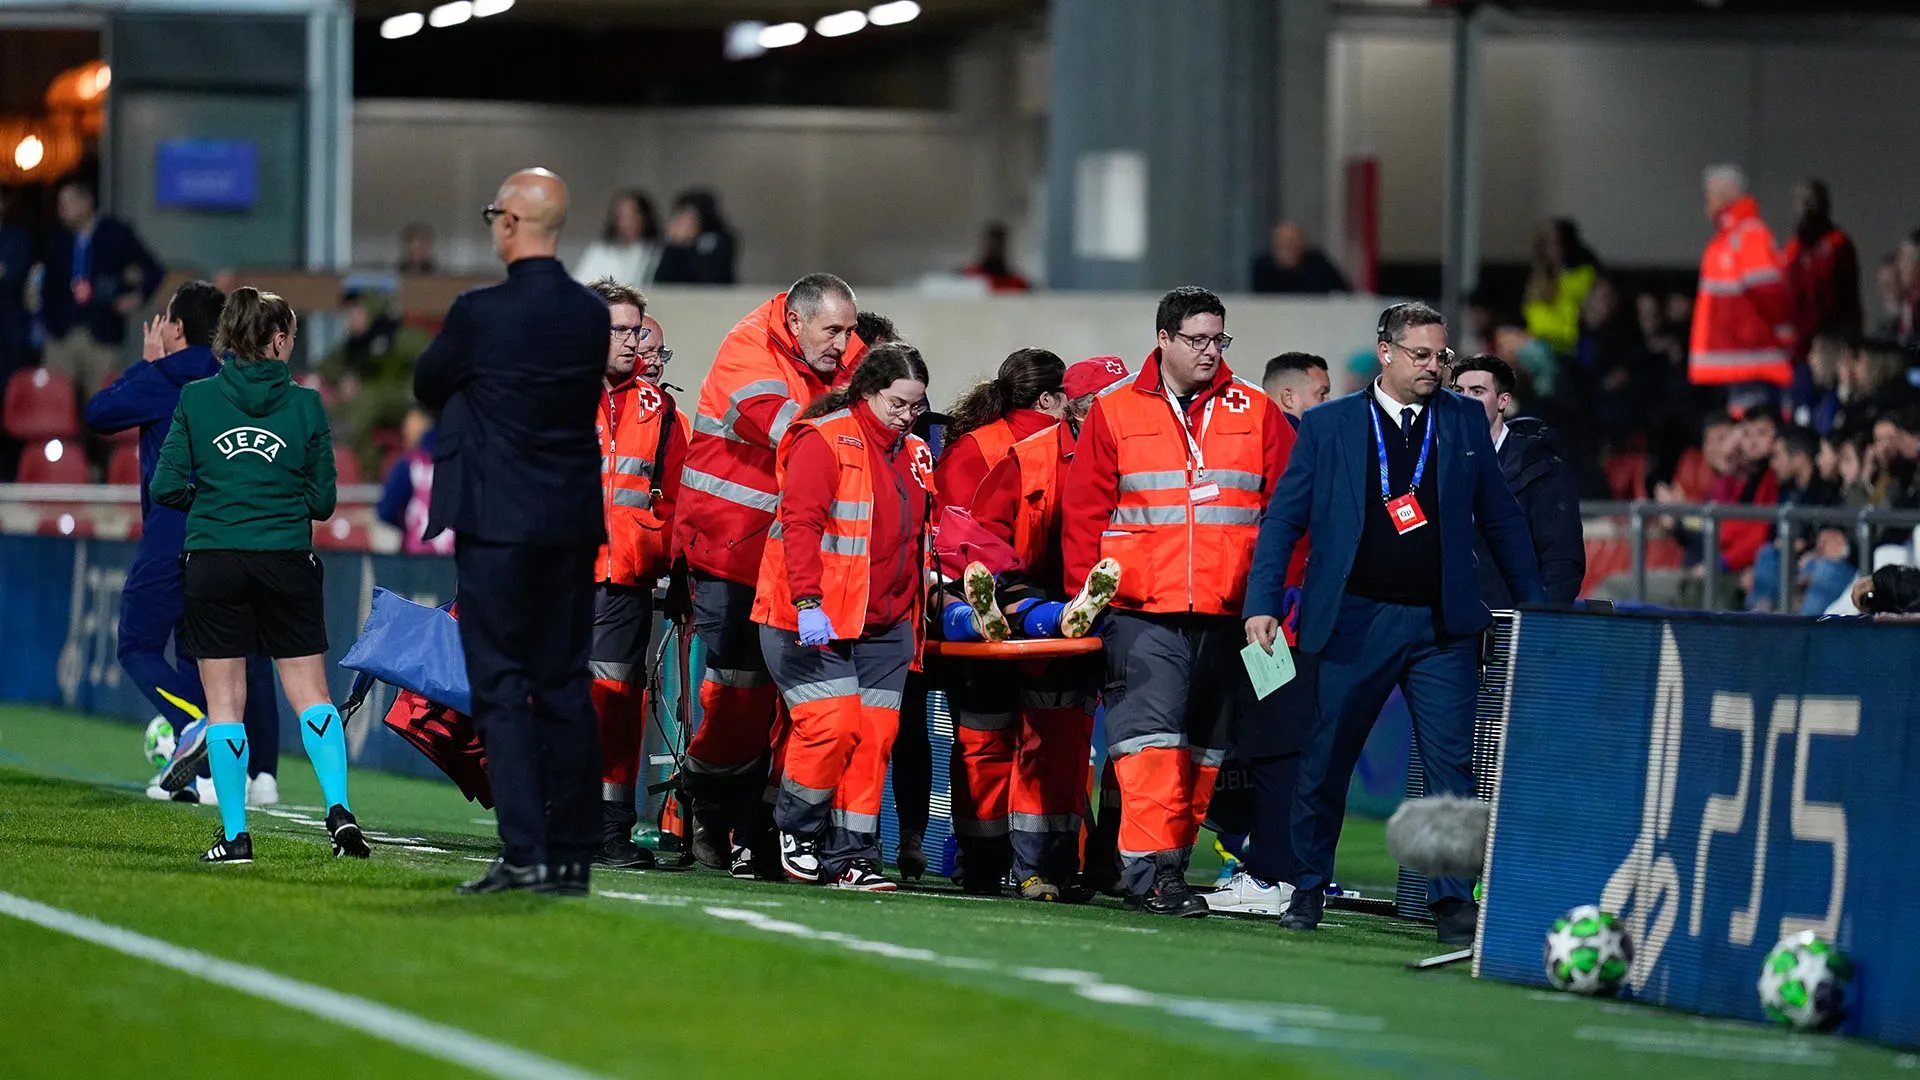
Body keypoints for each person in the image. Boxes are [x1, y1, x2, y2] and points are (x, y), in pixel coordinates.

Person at [1244, 302, 1543, 944]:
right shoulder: (1329, 425)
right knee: (1325, 759)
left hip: (1443, 627)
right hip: (1354, 619)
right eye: (1422, 356)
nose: (1436, 367)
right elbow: (1283, 520)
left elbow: (1501, 519)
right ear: (1385, 352)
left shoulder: (1462, 419)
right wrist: (1262, 601)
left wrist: (1539, 605)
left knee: (1451, 770)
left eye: (1443, 357)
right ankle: (1306, 885)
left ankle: (1452, 903)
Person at [1061, 285, 1295, 916]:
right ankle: (1151, 878)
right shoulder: (1113, 411)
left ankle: (1169, 870)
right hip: (1141, 610)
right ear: (1162, 339)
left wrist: (1277, 600)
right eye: (1196, 340)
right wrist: (1089, 602)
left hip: (1230, 614)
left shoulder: (1257, 410)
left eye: (1219, 339)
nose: (1209, 351)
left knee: (1204, 756)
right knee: (1151, 748)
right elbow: (1083, 515)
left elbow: (1288, 513)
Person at [414, 168, 611, 896]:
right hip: (567, 522)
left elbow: (428, 383)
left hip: (496, 522)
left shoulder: (479, 314)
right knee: (563, 684)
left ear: (508, 225)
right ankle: (573, 857)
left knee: (499, 685)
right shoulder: (590, 316)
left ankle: (524, 849)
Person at [148, 287, 367, 864]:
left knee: (225, 704)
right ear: (274, 339)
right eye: (290, 334)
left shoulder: (196, 399)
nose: (292, 343)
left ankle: (236, 836)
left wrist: (216, 496)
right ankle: (339, 810)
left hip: (215, 560)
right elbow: (322, 502)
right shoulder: (307, 406)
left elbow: (164, 486)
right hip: (286, 561)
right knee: (311, 694)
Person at [675, 273, 863, 877]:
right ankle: (707, 804)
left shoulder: (837, 348)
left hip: (797, 559)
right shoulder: (746, 347)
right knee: (738, 696)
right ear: (795, 324)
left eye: (851, 331)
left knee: (798, 706)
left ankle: (756, 832)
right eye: (834, 330)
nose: (844, 343)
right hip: (733, 553)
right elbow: (792, 426)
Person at [85, 279, 282, 807]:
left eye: (165, 319)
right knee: (210, 654)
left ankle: (192, 728)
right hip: (235, 531)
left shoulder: (165, 375)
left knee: (137, 645)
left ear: (173, 328)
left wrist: (145, 366)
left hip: (174, 529)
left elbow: (98, 413)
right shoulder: (235, 378)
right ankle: (216, 775)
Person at [948, 356, 1131, 901]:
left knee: (1052, 744)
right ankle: (995, 864)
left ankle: (1040, 868)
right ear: (1073, 409)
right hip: (1024, 602)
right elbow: (975, 539)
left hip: (1082, 621)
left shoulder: (1136, 461)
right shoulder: (1024, 460)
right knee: (994, 740)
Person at [753, 343, 935, 891]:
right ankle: (798, 834)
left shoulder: (915, 452)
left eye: (917, 405)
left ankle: (851, 857)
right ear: (866, 393)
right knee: (832, 727)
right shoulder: (823, 440)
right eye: (898, 404)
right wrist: (808, 602)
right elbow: (800, 526)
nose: (908, 416)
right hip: (813, 619)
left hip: (886, 624)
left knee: (874, 739)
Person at [586, 280, 687, 869]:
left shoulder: (661, 409)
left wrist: (671, 565)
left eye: (634, 329)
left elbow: (676, 499)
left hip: (625, 578)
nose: (631, 341)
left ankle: (608, 831)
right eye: (618, 330)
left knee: (617, 704)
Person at [1449, 354, 1587, 605]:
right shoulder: (1435, 462)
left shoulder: (1542, 470)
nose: (1464, 400)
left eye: (1477, 391)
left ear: (1503, 401)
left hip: (1512, 626)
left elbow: (1562, 561)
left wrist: (1539, 625)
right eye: (1458, 391)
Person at [41, 177, 165, 400]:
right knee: (55, 402)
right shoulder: (59, 239)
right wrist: (49, 322)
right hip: (62, 334)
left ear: (86, 202)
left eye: (66, 204)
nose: (61, 211)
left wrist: (136, 298)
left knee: (102, 406)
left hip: (102, 334)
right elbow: (48, 286)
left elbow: (154, 271)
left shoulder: (115, 233)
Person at [1690, 165, 1795, 388]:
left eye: (1709, 194)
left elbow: (1769, 295)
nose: (1706, 202)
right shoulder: (1726, 240)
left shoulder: (1748, 236)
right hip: (1731, 365)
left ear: (1724, 195)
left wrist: (1780, 338)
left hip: (1749, 365)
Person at [936, 348, 1068, 513]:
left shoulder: (972, 445)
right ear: (1046, 399)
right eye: (1067, 390)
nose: (1072, 399)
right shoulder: (1066, 445)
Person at [319, 286, 430, 476]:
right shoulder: (355, 343)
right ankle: (367, 473)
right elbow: (327, 366)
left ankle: (340, 434)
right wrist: (344, 379)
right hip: (366, 407)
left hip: (403, 401)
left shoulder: (397, 335)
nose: (351, 316)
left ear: (372, 309)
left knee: (368, 399)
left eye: (357, 310)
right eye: (349, 311)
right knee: (342, 406)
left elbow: (430, 358)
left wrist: (412, 391)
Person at [1781, 179, 1862, 362]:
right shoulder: (1792, 249)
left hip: (1830, 343)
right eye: (1801, 202)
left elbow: (1835, 299)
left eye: (1810, 201)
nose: (1805, 208)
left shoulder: (1838, 245)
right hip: (1797, 347)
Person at [375, 406, 453, 555]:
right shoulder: (467, 462)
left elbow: (386, 510)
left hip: (416, 561)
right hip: (457, 563)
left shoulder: (409, 464)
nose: (404, 428)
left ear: (423, 422)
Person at [1522, 219, 1600, 356]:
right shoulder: (1540, 278)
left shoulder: (1585, 275)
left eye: (1555, 242)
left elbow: (1574, 323)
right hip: (1541, 343)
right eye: (1545, 243)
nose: (1550, 249)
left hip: (1573, 345)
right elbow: (1533, 316)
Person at [575, 190, 662, 289]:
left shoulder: (654, 253)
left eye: (631, 216)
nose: (625, 222)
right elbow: (581, 285)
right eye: (621, 216)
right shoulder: (600, 251)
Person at [654, 190, 737, 285]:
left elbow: (711, 278)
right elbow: (661, 280)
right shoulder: (672, 244)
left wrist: (689, 244)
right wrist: (675, 244)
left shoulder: (720, 240)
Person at [1250, 222, 1348, 295]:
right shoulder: (1263, 267)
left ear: (1302, 244)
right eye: (1282, 244)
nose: (1287, 248)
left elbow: (1344, 293)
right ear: (1274, 245)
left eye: (1292, 243)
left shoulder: (1318, 264)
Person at [1261, 352, 1331, 426]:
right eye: (1322, 394)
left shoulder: (1253, 430)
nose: (1329, 401)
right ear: (1288, 397)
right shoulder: (1297, 435)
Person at [963, 222, 1030, 293]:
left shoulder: (1017, 283)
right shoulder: (969, 278)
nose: (994, 250)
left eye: (998, 245)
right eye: (992, 245)